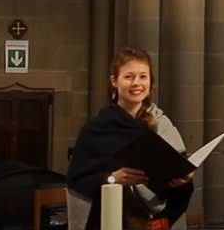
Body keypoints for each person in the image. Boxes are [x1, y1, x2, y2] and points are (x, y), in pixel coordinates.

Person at [67, 47, 194, 230]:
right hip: (115, 220)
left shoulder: (162, 124)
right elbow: (77, 182)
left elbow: (178, 185)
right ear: (114, 81)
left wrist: (184, 179)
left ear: (150, 82)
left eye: (143, 76)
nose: (137, 83)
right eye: (129, 77)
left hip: (160, 221)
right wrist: (111, 178)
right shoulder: (97, 129)